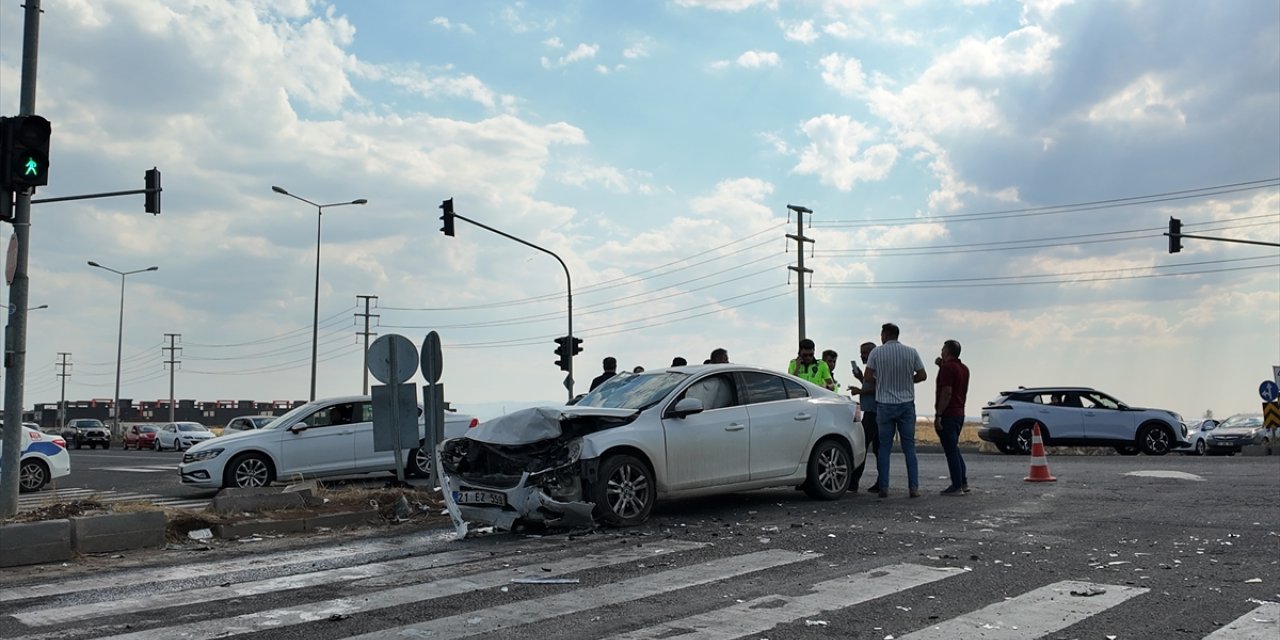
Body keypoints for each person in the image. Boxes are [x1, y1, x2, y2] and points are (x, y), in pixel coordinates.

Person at [864, 323, 927, 498]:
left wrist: (882, 380)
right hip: (907, 404)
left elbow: (868, 376)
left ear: (885, 335)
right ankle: (913, 487)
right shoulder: (911, 352)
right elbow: (922, 375)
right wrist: (908, 380)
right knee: (909, 447)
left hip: (884, 404)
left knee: (884, 447)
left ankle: (884, 487)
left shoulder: (876, 352)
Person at [935, 339, 970, 496]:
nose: (941, 351)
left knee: (950, 450)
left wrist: (939, 414)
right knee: (954, 448)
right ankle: (962, 481)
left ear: (947, 351)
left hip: (948, 413)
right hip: (960, 412)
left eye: (943, 349)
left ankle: (956, 485)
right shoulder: (963, 368)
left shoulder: (947, 368)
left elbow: (947, 391)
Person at [846, 341, 881, 493]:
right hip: (872, 411)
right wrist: (861, 379)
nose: (861, 356)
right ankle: (880, 481)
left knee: (863, 445)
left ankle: (853, 482)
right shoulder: (870, 368)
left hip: (874, 412)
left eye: (864, 353)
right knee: (877, 448)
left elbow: (879, 387)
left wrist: (860, 392)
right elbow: (870, 386)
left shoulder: (876, 366)